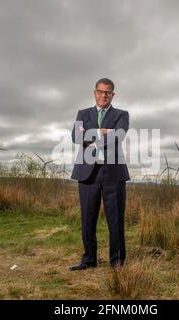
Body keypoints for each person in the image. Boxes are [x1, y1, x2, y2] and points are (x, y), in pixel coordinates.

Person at [69, 78, 130, 270]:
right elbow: (76, 137)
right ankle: (88, 260)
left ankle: (117, 262)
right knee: (88, 218)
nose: (104, 95)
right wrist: (102, 131)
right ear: (94, 92)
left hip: (113, 173)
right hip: (88, 173)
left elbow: (119, 135)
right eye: (100, 91)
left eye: (108, 92)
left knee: (116, 220)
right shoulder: (83, 113)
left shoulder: (122, 114)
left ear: (113, 94)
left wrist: (90, 134)